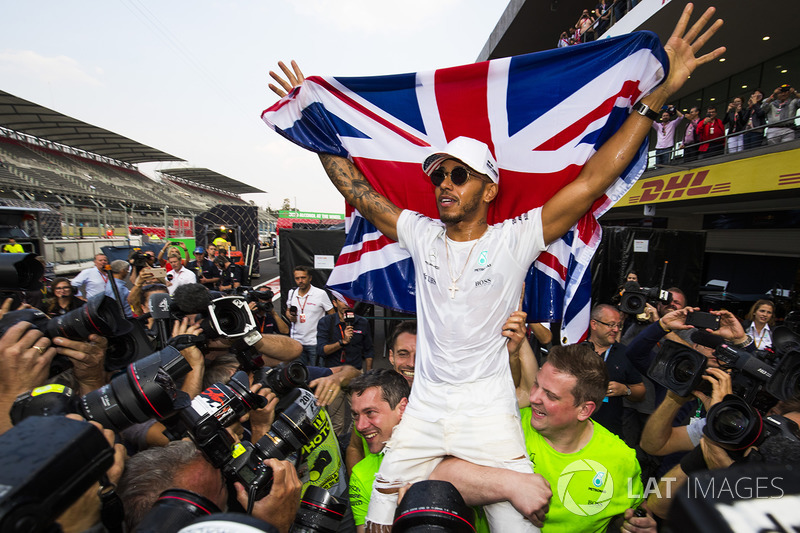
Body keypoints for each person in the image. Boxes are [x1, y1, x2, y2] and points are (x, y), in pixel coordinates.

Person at [268, 8, 724, 530]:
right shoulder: (421, 233)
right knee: (378, 522)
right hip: (422, 417)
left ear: (488, 189)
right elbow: (360, 193)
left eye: (459, 175)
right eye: (438, 173)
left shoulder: (516, 237)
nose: (444, 183)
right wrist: (313, 119)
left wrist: (657, 97)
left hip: (491, 416)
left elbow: (595, 177)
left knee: (520, 525)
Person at [431, 344, 656, 533]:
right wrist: (509, 484)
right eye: (537, 384)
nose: (534, 397)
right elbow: (438, 476)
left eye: (550, 395)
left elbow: (627, 511)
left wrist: (635, 524)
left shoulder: (622, 459)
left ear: (584, 410)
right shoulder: (506, 425)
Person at [348, 370, 411, 532]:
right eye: (356, 415)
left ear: (402, 408)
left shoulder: (441, 450)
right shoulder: (360, 475)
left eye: (370, 413)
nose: (360, 426)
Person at [587, 304, 645, 438]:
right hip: (575, 428)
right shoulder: (577, 351)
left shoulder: (626, 354)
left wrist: (625, 390)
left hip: (610, 432)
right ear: (594, 324)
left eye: (619, 325)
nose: (616, 330)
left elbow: (641, 391)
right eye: (611, 325)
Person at [285, 265, 334, 366]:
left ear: (310, 278)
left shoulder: (320, 294)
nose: (300, 281)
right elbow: (288, 310)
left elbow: (332, 314)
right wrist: (289, 316)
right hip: (296, 342)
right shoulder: (292, 292)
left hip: (314, 342)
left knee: (316, 373)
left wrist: (326, 334)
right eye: (297, 278)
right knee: (298, 374)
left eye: (303, 277)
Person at [317, 299, 374, 371]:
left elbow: (368, 351)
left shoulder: (362, 322)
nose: (346, 304)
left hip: (355, 371)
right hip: (333, 372)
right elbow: (321, 351)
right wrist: (342, 342)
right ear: (335, 303)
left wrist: (368, 375)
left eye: (349, 300)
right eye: (341, 300)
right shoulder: (326, 321)